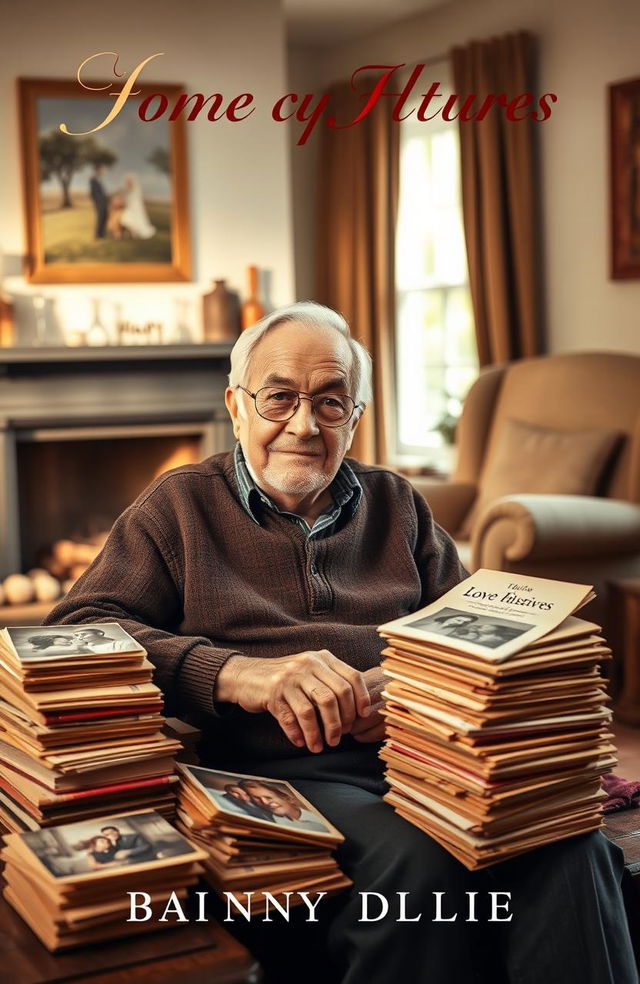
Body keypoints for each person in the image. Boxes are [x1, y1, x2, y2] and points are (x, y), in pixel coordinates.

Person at [43, 302, 637, 984]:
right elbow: (74, 630)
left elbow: (476, 636)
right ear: (236, 406)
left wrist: (420, 686)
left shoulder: (400, 504)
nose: (303, 424)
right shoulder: (178, 506)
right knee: (418, 861)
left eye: (331, 402)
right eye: (279, 398)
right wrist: (234, 674)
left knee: (571, 844)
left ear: (355, 418)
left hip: (427, 758)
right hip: (276, 772)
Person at [239, 779, 328, 833]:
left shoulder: (317, 821)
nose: (265, 802)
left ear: (288, 798)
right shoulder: (263, 815)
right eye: (257, 799)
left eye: (269, 798)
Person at [119, 174, 155, 239]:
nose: (128, 183)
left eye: (129, 182)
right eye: (127, 182)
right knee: (125, 219)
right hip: (129, 208)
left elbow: (135, 199)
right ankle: (129, 233)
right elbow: (126, 198)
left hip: (135, 208)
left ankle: (132, 233)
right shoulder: (127, 190)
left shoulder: (136, 189)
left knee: (132, 221)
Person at [89, 164, 109, 239]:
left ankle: (102, 233)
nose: (102, 171)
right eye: (101, 170)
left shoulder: (100, 179)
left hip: (104, 201)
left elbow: (102, 191)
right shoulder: (93, 179)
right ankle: (97, 235)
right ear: (97, 170)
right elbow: (92, 192)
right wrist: (93, 201)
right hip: (98, 201)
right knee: (100, 217)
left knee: (105, 216)